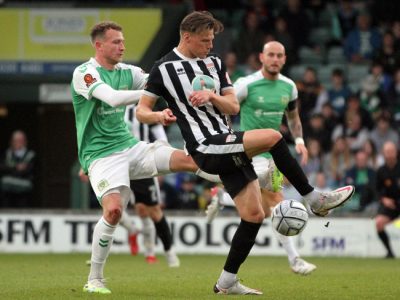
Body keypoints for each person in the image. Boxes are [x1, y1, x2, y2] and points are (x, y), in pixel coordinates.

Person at [136, 11, 354, 295]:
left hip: (225, 142)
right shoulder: (162, 68)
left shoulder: (214, 63)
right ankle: (314, 199)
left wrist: (212, 96)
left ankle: (226, 281)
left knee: (253, 214)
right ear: (186, 37)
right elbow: (141, 110)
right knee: (274, 137)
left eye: (212, 39)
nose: (210, 46)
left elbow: (233, 107)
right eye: (205, 40)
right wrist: (158, 116)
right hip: (204, 145)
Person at [71, 21, 219, 295]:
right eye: (116, 42)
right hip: (100, 156)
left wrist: (195, 89)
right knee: (114, 211)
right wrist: (154, 92)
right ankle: (94, 279)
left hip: (131, 147)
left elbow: (159, 79)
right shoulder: (85, 73)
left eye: (123, 41)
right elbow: (113, 99)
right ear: (99, 45)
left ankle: (230, 186)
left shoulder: (128, 71)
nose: (123, 46)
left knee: (192, 160)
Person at [205, 41, 318, 275]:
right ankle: (295, 260)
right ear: (262, 57)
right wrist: (227, 139)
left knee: (269, 209)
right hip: (249, 152)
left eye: (279, 55)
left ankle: (224, 198)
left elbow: (294, 118)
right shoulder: (247, 84)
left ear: (284, 59)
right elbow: (226, 108)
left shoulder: (289, 87)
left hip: (273, 155)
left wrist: (299, 142)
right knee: (276, 202)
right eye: (271, 55)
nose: (275, 59)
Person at [122, 104, 179, 266]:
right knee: (112, 206)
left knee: (152, 211)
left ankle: (167, 251)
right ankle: (132, 230)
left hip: (142, 164)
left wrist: (163, 159)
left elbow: (161, 137)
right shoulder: (114, 106)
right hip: (119, 162)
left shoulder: (143, 109)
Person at [375, 141, 400, 258]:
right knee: (379, 223)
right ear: (383, 154)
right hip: (391, 205)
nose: (390, 154)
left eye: (392, 151)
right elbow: (376, 190)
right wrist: (384, 199)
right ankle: (390, 252)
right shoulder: (381, 171)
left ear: (396, 152)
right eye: (387, 152)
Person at [0, 130, 35, 208]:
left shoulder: (31, 155)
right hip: (7, 191)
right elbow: (2, 168)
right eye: (15, 140)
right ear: (11, 142)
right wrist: (15, 167)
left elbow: (28, 170)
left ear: (25, 142)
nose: (18, 143)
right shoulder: (6, 154)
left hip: (24, 188)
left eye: (20, 140)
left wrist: (10, 169)